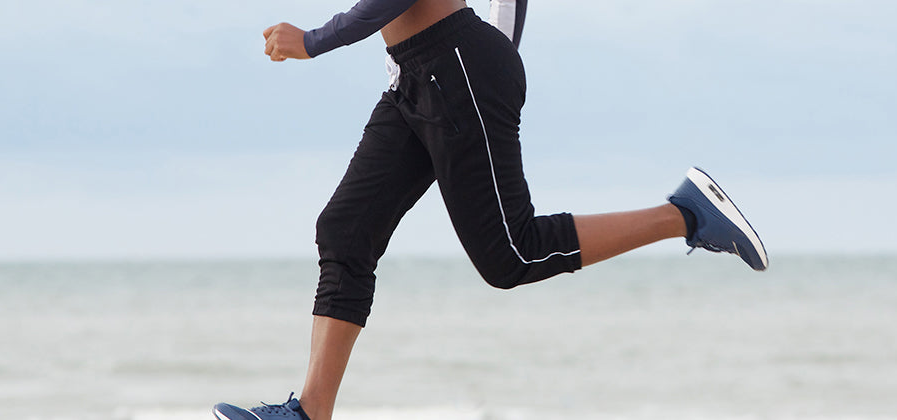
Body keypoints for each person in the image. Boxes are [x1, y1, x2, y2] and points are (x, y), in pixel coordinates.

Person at [213, 1, 766, 419]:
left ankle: (686, 214)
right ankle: (310, 413)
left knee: (511, 256)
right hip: (419, 71)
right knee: (344, 232)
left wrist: (314, 40)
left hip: (454, 67)